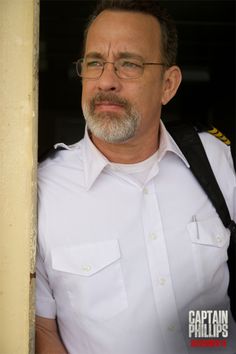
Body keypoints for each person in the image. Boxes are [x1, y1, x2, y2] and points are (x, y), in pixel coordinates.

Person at [36, 1, 236, 353]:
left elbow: (213, 298)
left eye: (129, 64)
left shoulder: (217, 161)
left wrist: (207, 342)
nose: (107, 81)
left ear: (168, 84)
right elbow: (43, 332)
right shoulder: (41, 192)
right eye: (95, 62)